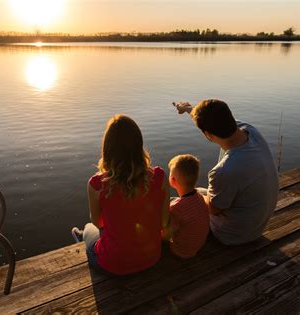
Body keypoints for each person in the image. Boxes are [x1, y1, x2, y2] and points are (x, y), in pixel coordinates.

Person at [72, 114, 170, 275]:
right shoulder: (159, 176)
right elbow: (164, 221)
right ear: (139, 145)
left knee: (89, 228)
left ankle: (81, 238)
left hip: (113, 264)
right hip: (151, 258)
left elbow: (98, 223)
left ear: (107, 149)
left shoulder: (96, 184)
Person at [173, 99, 279, 245]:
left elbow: (213, 209)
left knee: (182, 201)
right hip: (256, 227)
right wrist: (188, 109)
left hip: (232, 235)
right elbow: (211, 117)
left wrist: (189, 196)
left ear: (208, 135)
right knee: (196, 192)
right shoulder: (250, 130)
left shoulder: (225, 170)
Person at [162, 154, 209, 258]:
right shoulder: (200, 198)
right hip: (197, 245)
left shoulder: (176, 208)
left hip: (181, 251)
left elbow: (167, 234)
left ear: (172, 180)